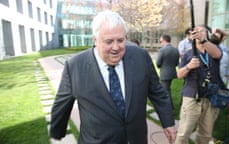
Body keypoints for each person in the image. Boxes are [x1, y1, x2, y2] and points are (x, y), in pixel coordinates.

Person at [50, 10, 176, 144]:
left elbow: (157, 92)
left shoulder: (141, 57)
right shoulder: (75, 66)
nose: (116, 47)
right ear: (95, 39)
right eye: (109, 41)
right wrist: (57, 132)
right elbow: (62, 105)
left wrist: (168, 121)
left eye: (120, 40)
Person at [175, 25, 222, 144]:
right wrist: (189, 66)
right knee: (183, 133)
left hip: (210, 98)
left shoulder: (212, 50)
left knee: (205, 134)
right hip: (192, 97)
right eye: (197, 31)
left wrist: (204, 40)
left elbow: (218, 54)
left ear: (207, 35)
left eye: (203, 31)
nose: (200, 33)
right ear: (193, 35)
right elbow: (179, 75)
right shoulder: (188, 53)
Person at [156, 34, 179, 109]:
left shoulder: (162, 50)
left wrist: (160, 66)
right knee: (167, 89)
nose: (160, 43)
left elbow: (158, 63)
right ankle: (168, 106)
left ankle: (168, 107)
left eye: (160, 41)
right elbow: (176, 63)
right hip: (172, 72)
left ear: (164, 40)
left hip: (164, 74)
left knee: (165, 91)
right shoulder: (175, 49)